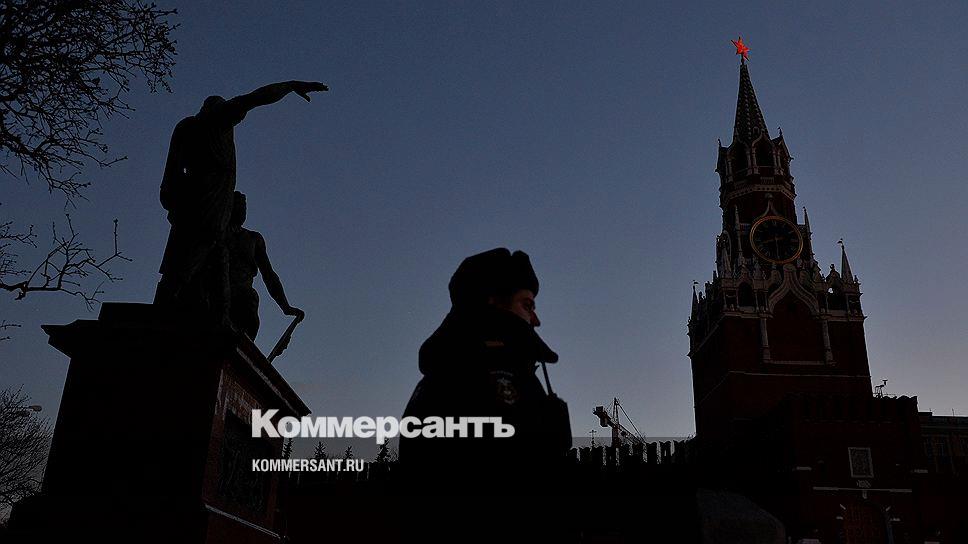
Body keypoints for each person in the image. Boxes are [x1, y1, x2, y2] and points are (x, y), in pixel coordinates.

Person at [154, 80, 327, 328]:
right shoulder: (214, 122)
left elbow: (170, 174)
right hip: (205, 214)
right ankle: (161, 318)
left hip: (206, 217)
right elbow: (255, 98)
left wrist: (172, 201)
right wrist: (290, 86)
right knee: (183, 272)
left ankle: (219, 321)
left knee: (214, 269)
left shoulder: (188, 129)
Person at [399, 248, 572, 493]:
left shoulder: (510, 371)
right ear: (493, 302)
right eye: (527, 305)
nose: (536, 320)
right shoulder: (460, 376)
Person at [225, 191, 304, 340]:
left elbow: (269, 275)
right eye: (239, 205)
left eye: (244, 206)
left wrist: (285, 306)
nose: (243, 210)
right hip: (217, 289)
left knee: (249, 311)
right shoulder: (219, 232)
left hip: (243, 294)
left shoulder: (253, 239)